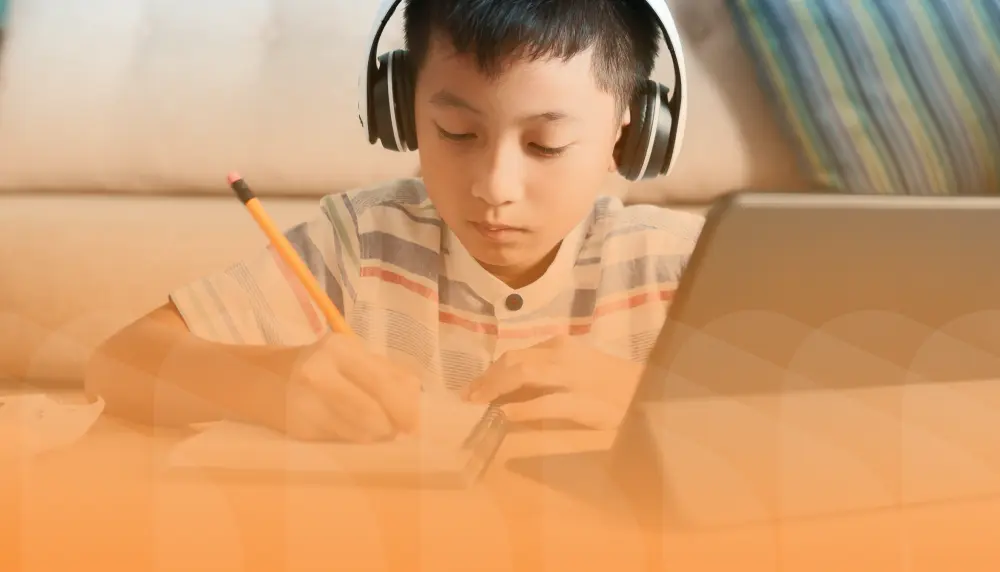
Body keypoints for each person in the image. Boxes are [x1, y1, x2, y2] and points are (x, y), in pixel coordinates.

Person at [84, 0, 704, 443]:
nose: (494, 188)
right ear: (401, 111)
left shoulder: (684, 266)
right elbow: (117, 365)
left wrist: (664, 405)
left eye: (546, 145)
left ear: (632, 132)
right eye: (456, 132)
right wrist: (266, 384)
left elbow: (771, 434)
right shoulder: (361, 241)